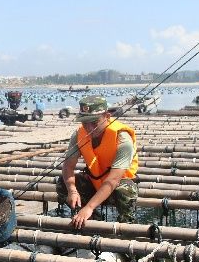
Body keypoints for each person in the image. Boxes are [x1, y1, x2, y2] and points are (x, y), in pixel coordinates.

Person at [56, 95, 138, 229]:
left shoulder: (123, 139)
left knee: (125, 191)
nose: (89, 128)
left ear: (107, 116)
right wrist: (72, 190)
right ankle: (91, 220)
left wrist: (89, 207)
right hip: (94, 183)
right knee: (62, 184)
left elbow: (113, 180)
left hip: (117, 186)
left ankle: (126, 227)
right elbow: (68, 167)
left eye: (94, 122)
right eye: (84, 123)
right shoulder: (78, 135)